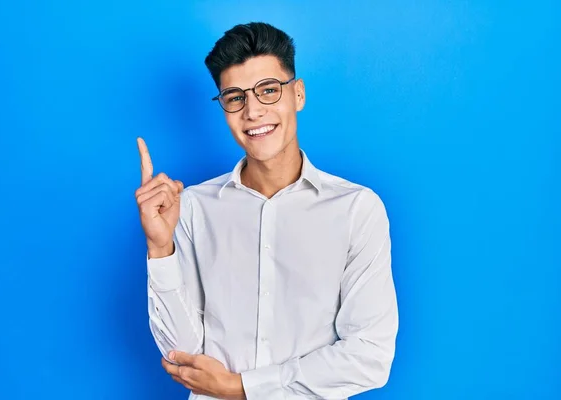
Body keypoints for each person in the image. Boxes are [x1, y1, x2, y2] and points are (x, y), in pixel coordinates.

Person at [135, 22, 398, 400]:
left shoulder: (356, 209)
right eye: (235, 97)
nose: (253, 111)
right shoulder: (191, 207)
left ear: (298, 94)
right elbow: (181, 354)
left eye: (268, 91)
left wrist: (242, 388)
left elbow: (370, 356)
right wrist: (160, 248)